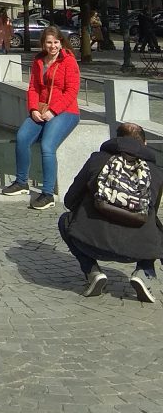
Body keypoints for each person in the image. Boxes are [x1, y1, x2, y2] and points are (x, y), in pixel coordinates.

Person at [58, 122, 163, 301]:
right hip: (139, 250)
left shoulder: (97, 159)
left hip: (90, 243)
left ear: (116, 139)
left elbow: (69, 200)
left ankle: (92, 271)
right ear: (144, 144)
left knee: (64, 220)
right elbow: (150, 211)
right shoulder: (156, 171)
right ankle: (144, 272)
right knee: (157, 227)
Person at [1, 25, 81, 210]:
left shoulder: (69, 61)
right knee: (22, 138)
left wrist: (53, 111)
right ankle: (21, 182)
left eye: (56, 42)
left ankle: (47, 193)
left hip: (66, 112)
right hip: (41, 110)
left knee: (47, 146)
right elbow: (33, 88)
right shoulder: (39, 61)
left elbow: (71, 92)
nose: (53, 46)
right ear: (43, 44)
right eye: (49, 43)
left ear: (61, 43)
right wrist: (33, 110)